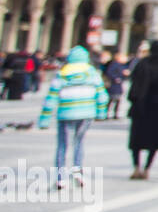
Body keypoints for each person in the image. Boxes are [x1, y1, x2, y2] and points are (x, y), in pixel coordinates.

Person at [38, 45, 108, 189]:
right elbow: (102, 96)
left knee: (63, 145)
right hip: (86, 113)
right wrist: (101, 113)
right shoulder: (92, 73)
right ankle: (77, 171)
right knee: (79, 142)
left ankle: (60, 177)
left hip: (65, 113)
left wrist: (44, 119)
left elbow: (51, 98)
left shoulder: (63, 73)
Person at [127, 40, 158, 180]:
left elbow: (134, 83)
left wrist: (134, 99)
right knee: (154, 139)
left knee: (137, 139)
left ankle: (136, 167)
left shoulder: (142, 63)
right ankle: (147, 168)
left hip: (141, 105)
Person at [104, 51, 128, 119]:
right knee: (111, 100)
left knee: (117, 100)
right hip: (113, 85)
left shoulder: (121, 65)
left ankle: (115, 114)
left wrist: (124, 74)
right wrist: (115, 78)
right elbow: (109, 72)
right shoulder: (114, 64)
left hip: (118, 85)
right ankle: (106, 114)